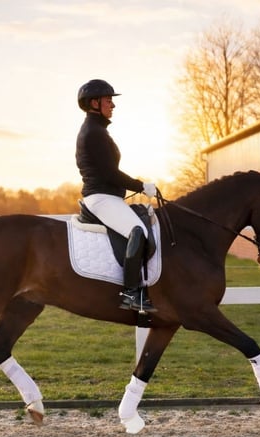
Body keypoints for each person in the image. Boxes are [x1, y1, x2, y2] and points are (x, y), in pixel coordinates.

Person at [75, 79, 157, 313]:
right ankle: (131, 293)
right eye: (108, 100)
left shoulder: (97, 130)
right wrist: (141, 186)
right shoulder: (94, 133)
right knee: (137, 231)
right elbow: (110, 173)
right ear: (94, 103)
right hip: (101, 198)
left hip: (107, 196)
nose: (113, 105)